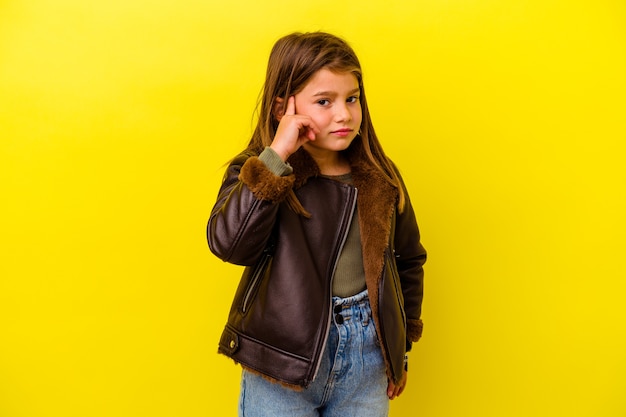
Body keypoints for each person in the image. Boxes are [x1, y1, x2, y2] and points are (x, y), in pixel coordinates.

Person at [207, 31, 427, 417]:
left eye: (352, 98)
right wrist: (277, 155)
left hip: (367, 359)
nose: (343, 114)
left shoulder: (379, 177)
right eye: (324, 101)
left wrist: (399, 350)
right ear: (283, 109)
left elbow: (407, 261)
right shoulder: (260, 170)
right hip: (284, 362)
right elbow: (230, 244)